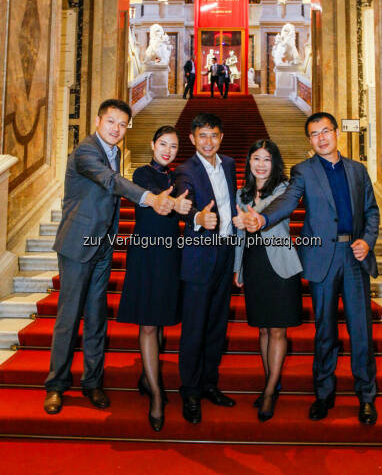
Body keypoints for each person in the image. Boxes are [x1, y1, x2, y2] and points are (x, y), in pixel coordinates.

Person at [238, 112, 380, 425]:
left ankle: (366, 397)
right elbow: (288, 201)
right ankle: (324, 394)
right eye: (314, 134)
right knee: (324, 331)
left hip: (354, 256)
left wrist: (367, 242)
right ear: (310, 140)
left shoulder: (358, 171)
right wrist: (262, 218)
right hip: (320, 257)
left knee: (361, 332)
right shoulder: (303, 171)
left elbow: (371, 212)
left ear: (336, 133)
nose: (321, 138)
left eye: (325, 131)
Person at [43, 99, 176, 415]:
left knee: (96, 316)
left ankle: (93, 382)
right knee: (69, 317)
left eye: (122, 124)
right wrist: (149, 198)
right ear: (98, 121)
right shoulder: (86, 152)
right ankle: (56, 385)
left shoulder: (115, 154)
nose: (117, 129)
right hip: (77, 244)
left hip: (103, 245)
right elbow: (109, 181)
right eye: (111, 122)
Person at [117, 126, 192, 432]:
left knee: (160, 320)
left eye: (173, 146)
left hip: (170, 255)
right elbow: (157, 201)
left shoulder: (178, 178)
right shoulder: (141, 174)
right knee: (148, 323)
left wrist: (188, 208)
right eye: (163, 143)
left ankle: (148, 377)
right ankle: (157, 396)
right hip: (146, 254)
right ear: (152, 143)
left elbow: (188, 206)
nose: (168, 150)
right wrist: (173, 203)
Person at [174, 113, 237, 424]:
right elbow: (183, 204)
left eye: (214, 135)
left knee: (217, 324)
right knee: (195, 326)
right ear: (192, 139)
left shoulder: (229, 164)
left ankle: (209, 383)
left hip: (226, 253)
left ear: (221, 137)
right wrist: (198, 219)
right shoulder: (185, 170)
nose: (209, 142)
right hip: (200, 256)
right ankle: (190, 390)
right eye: (203, 136)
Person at [233, 140, 303, 422]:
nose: (261, 164)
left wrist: (252, 215)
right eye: (255, 159)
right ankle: (270, 380)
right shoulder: (241, 193)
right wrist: (237, 268)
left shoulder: (284, 190)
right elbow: (239, 236)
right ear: (249, 163)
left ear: (275, 163)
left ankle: (270, 390)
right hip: (254, 264)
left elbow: (271, 212)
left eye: (266, 159)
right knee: (262, 329)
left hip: (281, 265)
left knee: (277, 331)